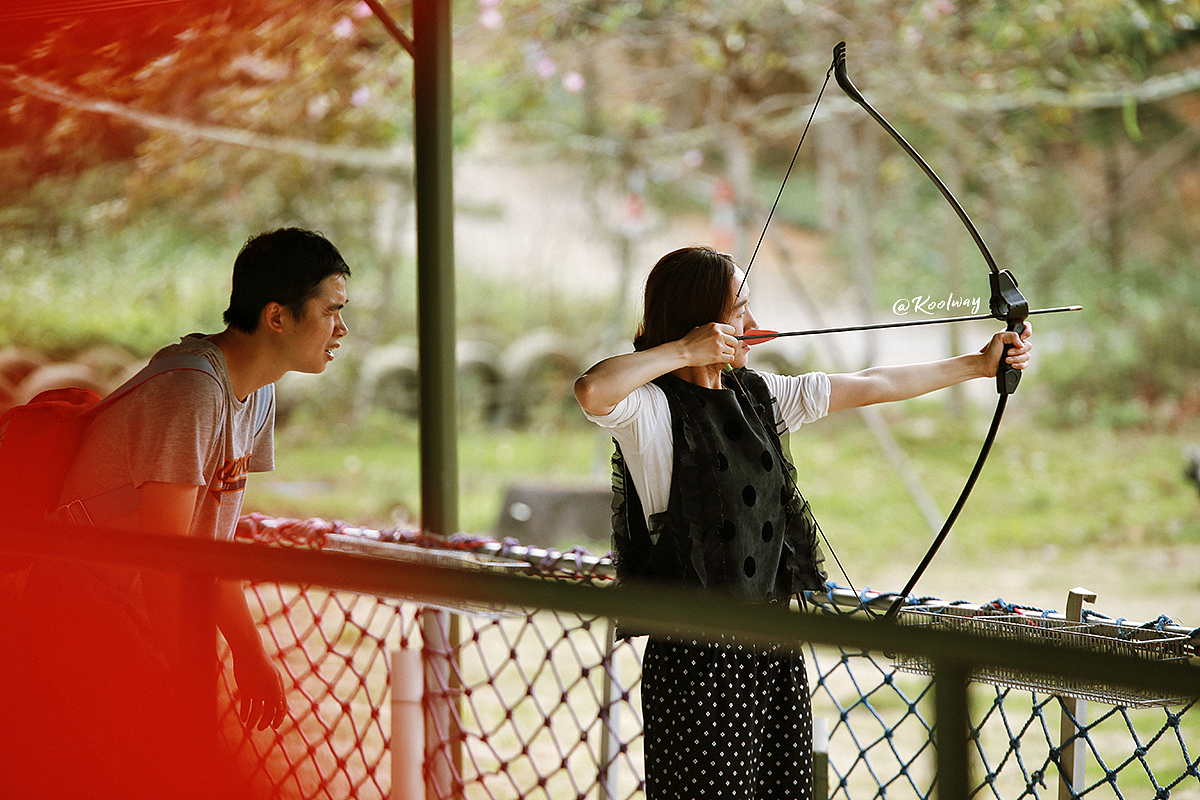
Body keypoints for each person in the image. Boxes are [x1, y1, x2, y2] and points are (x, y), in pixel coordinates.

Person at [573, 245, 1032, 799]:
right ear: (705, 322)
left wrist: (978, 366)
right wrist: (680, 351)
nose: (755, 324)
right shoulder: (649, 411)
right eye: (741, 308)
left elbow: (874, 381)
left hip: (773, 646)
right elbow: (592, 391)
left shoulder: (764, 396)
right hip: (696, 661)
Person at [1, 227, 350, 799]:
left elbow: (212, 542)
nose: (342, 329)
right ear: (277, 316)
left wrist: (247, 651)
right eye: (332, 311)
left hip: (131, 615)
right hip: (81, 611)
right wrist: (176, 675)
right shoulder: (191, 389)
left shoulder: (256, 393)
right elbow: (165, 556)